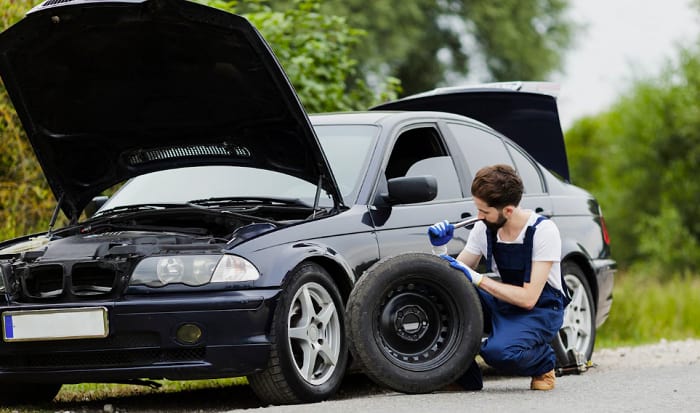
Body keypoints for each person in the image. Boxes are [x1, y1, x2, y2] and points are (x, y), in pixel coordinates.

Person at [428, 164, 569, 391]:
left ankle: (544, 362)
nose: (478, 216)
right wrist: (440, 250)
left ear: (509, 211)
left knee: (499, 353)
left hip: (540, 309)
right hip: (505, 300)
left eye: (484, 211)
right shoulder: (484, 228)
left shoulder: (543, 231)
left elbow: (529, 298)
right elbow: (454, 276)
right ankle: (464, 377)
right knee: (446, 293)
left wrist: (477, 278)